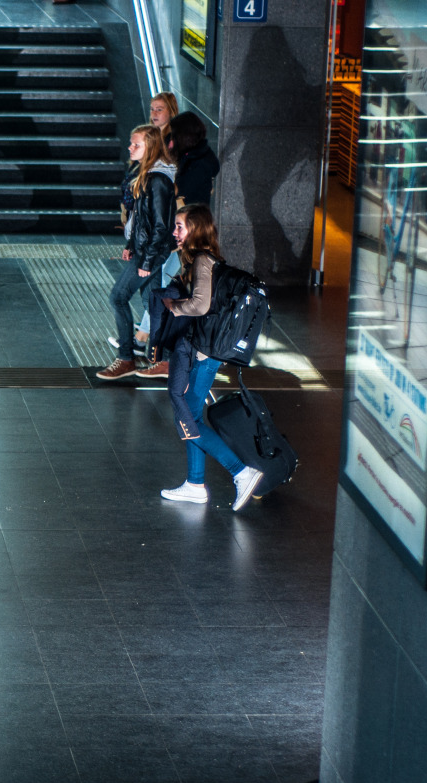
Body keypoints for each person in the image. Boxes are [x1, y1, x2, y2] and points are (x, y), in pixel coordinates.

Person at [157, 204, 263, 511]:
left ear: (196, 229)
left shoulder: (202, 259)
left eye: (180, 227)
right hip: (201, 348)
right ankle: (195, 483)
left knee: (187, 416)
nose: (175, 232)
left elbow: (201, 306)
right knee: (189, 415)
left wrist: (173, 307)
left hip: (205, 352)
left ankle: (241, 473)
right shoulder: (196, 259)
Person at [98, 124, 175, 381]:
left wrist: (147, 260)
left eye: (136, 144)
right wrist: (131, 246)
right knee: (152, 303)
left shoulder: (158, 180)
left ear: (150, 147)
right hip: (144, 251)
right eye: (131, 143)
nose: (130, 148)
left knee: (118, 297)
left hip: (151, 253)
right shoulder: (145, 174)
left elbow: (162, 225)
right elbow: (141, 219)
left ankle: (126, 357)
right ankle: (164, 360)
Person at [169, 111, 220, 208]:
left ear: (182, 137)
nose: (171, 143)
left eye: (173, 136)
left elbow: (187, 197)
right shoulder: (195, 156)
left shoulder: (197, 163)